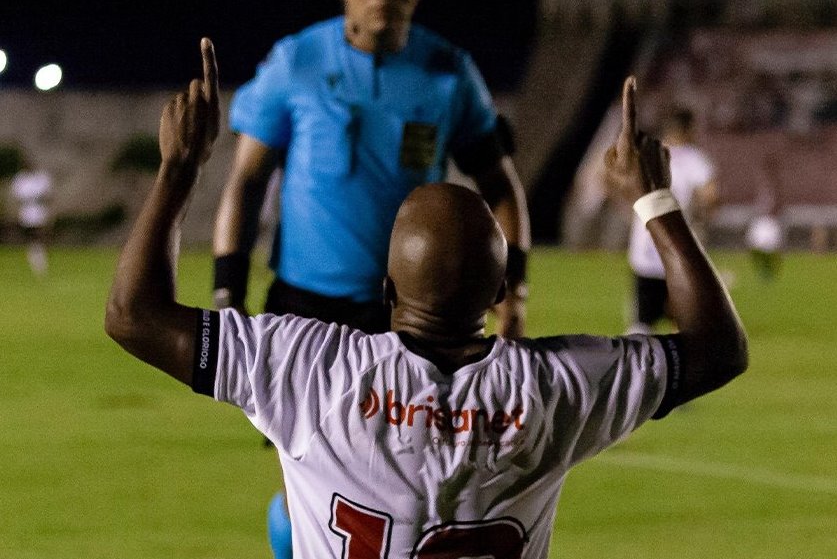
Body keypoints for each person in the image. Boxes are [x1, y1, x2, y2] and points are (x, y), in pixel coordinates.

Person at [105, 43, 748, 559]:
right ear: (499, 293)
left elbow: (133, 315)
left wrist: (179, 169)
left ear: (386, 292)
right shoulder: (556, 389)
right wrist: (657, 201)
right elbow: (719, 348)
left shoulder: (307, 369)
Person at [212, 0, 530, 339]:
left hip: (416, 315)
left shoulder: (451, 73)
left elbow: (499, 186)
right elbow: (247, 179)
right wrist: (228, 293)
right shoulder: (296, 62)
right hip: (302, 311)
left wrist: (514, 296)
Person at [624, 106, 718, 334]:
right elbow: (710, 196)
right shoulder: (695, 159)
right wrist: (699, 217)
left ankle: (639, 366)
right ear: (688, 129)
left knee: (642, 325)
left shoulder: (647, 154)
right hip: (676, 248)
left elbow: (620, 182)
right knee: (686, 320)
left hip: (645, 248)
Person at [11, 159, 53, 277]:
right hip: (27, 212)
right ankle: (34, 255)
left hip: (39, 211)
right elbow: (17, 198)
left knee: (41, 234)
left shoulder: (40, 178)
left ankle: (40, 255)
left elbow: (48, 196)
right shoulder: (20, 179)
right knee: (31, 235)